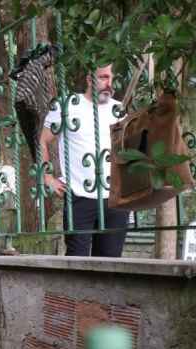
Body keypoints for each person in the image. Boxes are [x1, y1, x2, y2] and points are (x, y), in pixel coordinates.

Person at [39, 65, 128, 257]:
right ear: (89, 79)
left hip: (115, 198)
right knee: (76, 263)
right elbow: (43, 141)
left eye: (111, 78)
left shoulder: (119, 110)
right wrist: (47, 177)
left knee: (111, 265)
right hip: (79, 196)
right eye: (103, 77)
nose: (109, 84)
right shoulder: (67, 105)